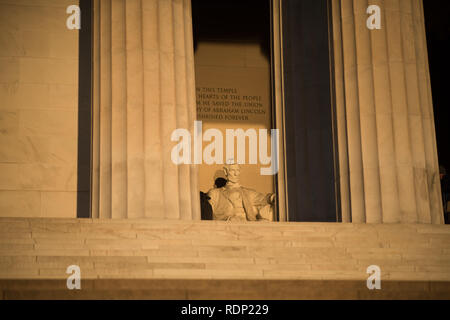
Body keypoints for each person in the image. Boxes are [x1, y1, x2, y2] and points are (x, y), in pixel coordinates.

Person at [207, 162, 275, 222]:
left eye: (238, 170)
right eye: (232, 170)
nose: (236, 174)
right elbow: (207, 215)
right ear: (225, 171)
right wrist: (228, 219)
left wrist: (274, 197)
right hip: (225, 227)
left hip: (246, 226)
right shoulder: (215, 194)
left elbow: (264, 199)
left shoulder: (248, 193)